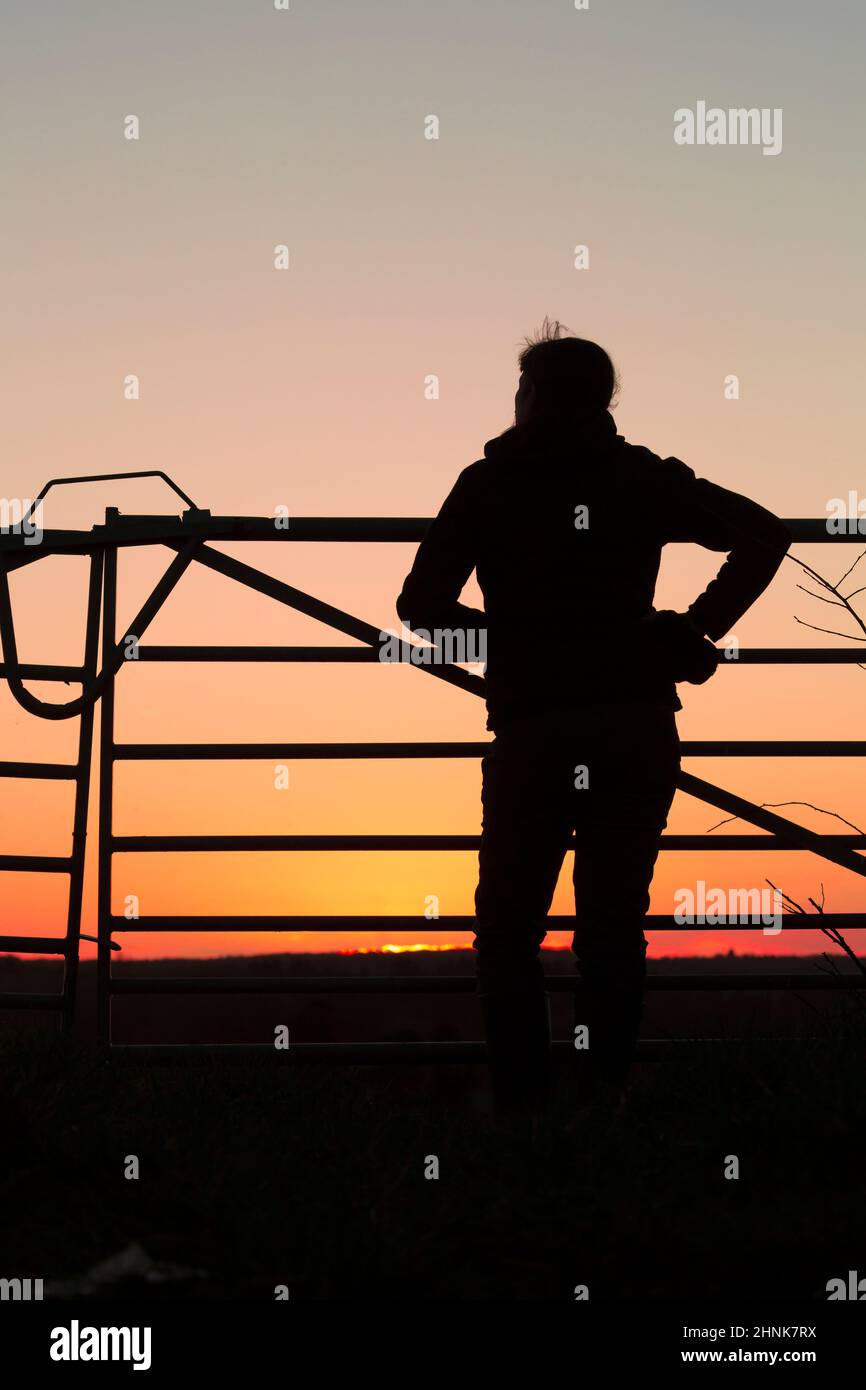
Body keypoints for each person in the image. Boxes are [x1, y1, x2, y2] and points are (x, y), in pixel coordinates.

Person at [396, 320, 791, 1114]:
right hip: (633, 723)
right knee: (612, 928)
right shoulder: (639, 478)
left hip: (534, 727)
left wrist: (517, 642)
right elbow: (764, 533)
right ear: (605, 400)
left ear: (530, 396)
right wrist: (695, 627)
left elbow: (421, 608)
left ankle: (524, 1116)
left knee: (507, 934)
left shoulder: (490, 483)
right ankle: (600, 1110)